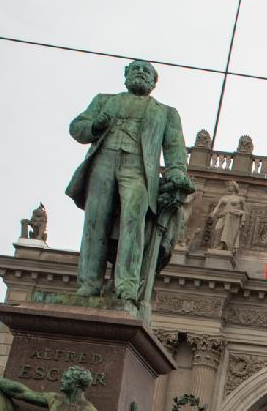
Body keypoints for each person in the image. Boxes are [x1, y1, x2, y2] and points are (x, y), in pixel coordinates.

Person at [67, 59, 193, 302]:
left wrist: (177, 172)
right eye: (135, 69)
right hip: (103, 163)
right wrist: (95, 125)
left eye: (146, 71)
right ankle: (89, 284)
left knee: (134, 220)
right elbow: (77, 128)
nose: (140, 73)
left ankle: (127, 284)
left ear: (154, 82)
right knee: (95, 221)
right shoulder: (104, 100)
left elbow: (175, 149)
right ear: (126, 76)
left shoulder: (165, 113)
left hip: (138, 170)